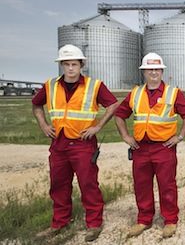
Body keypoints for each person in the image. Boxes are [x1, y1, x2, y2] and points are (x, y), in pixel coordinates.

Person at [32, 44, 119, 242]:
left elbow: (113, 104)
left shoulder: (94, 85)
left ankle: (94, 224)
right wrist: (44, 125)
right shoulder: (50, 85)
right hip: (59, 144)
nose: (71, 68)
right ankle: (59, 223)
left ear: (81, 65)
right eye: (67, 64)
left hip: (83, 143)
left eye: (74, 64)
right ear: (61, 65)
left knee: (88, 185)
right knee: (58, 185)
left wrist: (97, 127)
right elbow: (36, 104)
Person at [114, 52, 185, 239]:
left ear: (162, 71)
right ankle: (144, 219)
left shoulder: (172, 93)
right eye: (150, 69)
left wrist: (180, 136)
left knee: (167, 185)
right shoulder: (135, 93)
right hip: (140, 148)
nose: (153, 73)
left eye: (157, 69)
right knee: (141, 185)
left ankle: (170, 220)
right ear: (144, 72)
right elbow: (120, 114)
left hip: (164, 147)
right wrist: (126, 136)